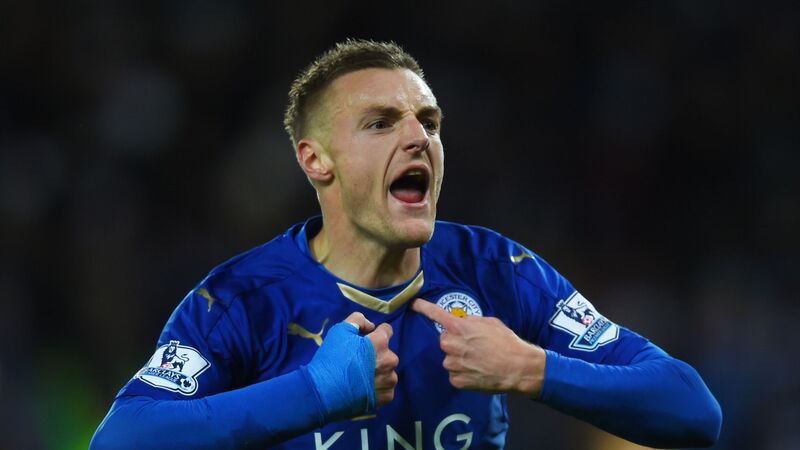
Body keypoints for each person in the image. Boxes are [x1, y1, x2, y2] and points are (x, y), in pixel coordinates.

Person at [90, 39, 722, 449]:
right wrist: (315, 394)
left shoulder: (497, 271)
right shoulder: (243, 300)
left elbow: (693, 409)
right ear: (316, 160)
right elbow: (122, 439)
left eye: (429, 121)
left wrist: (531, 369)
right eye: (380, 123)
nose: (419, 136)